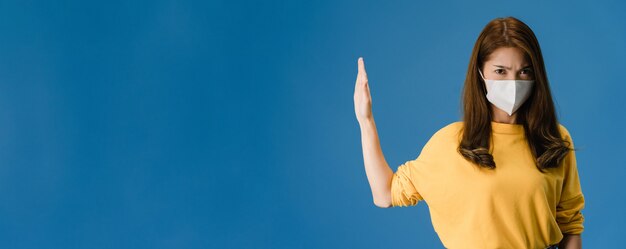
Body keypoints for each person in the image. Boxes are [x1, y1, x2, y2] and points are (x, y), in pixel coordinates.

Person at [353, 16, 584, 249]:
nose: (513, 82)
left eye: (524, 71)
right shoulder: (450, 143)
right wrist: (366, 120)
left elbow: (570, 225)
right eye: (501, 71)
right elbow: (385, 194)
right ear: (480, 73)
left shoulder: (553, 139)